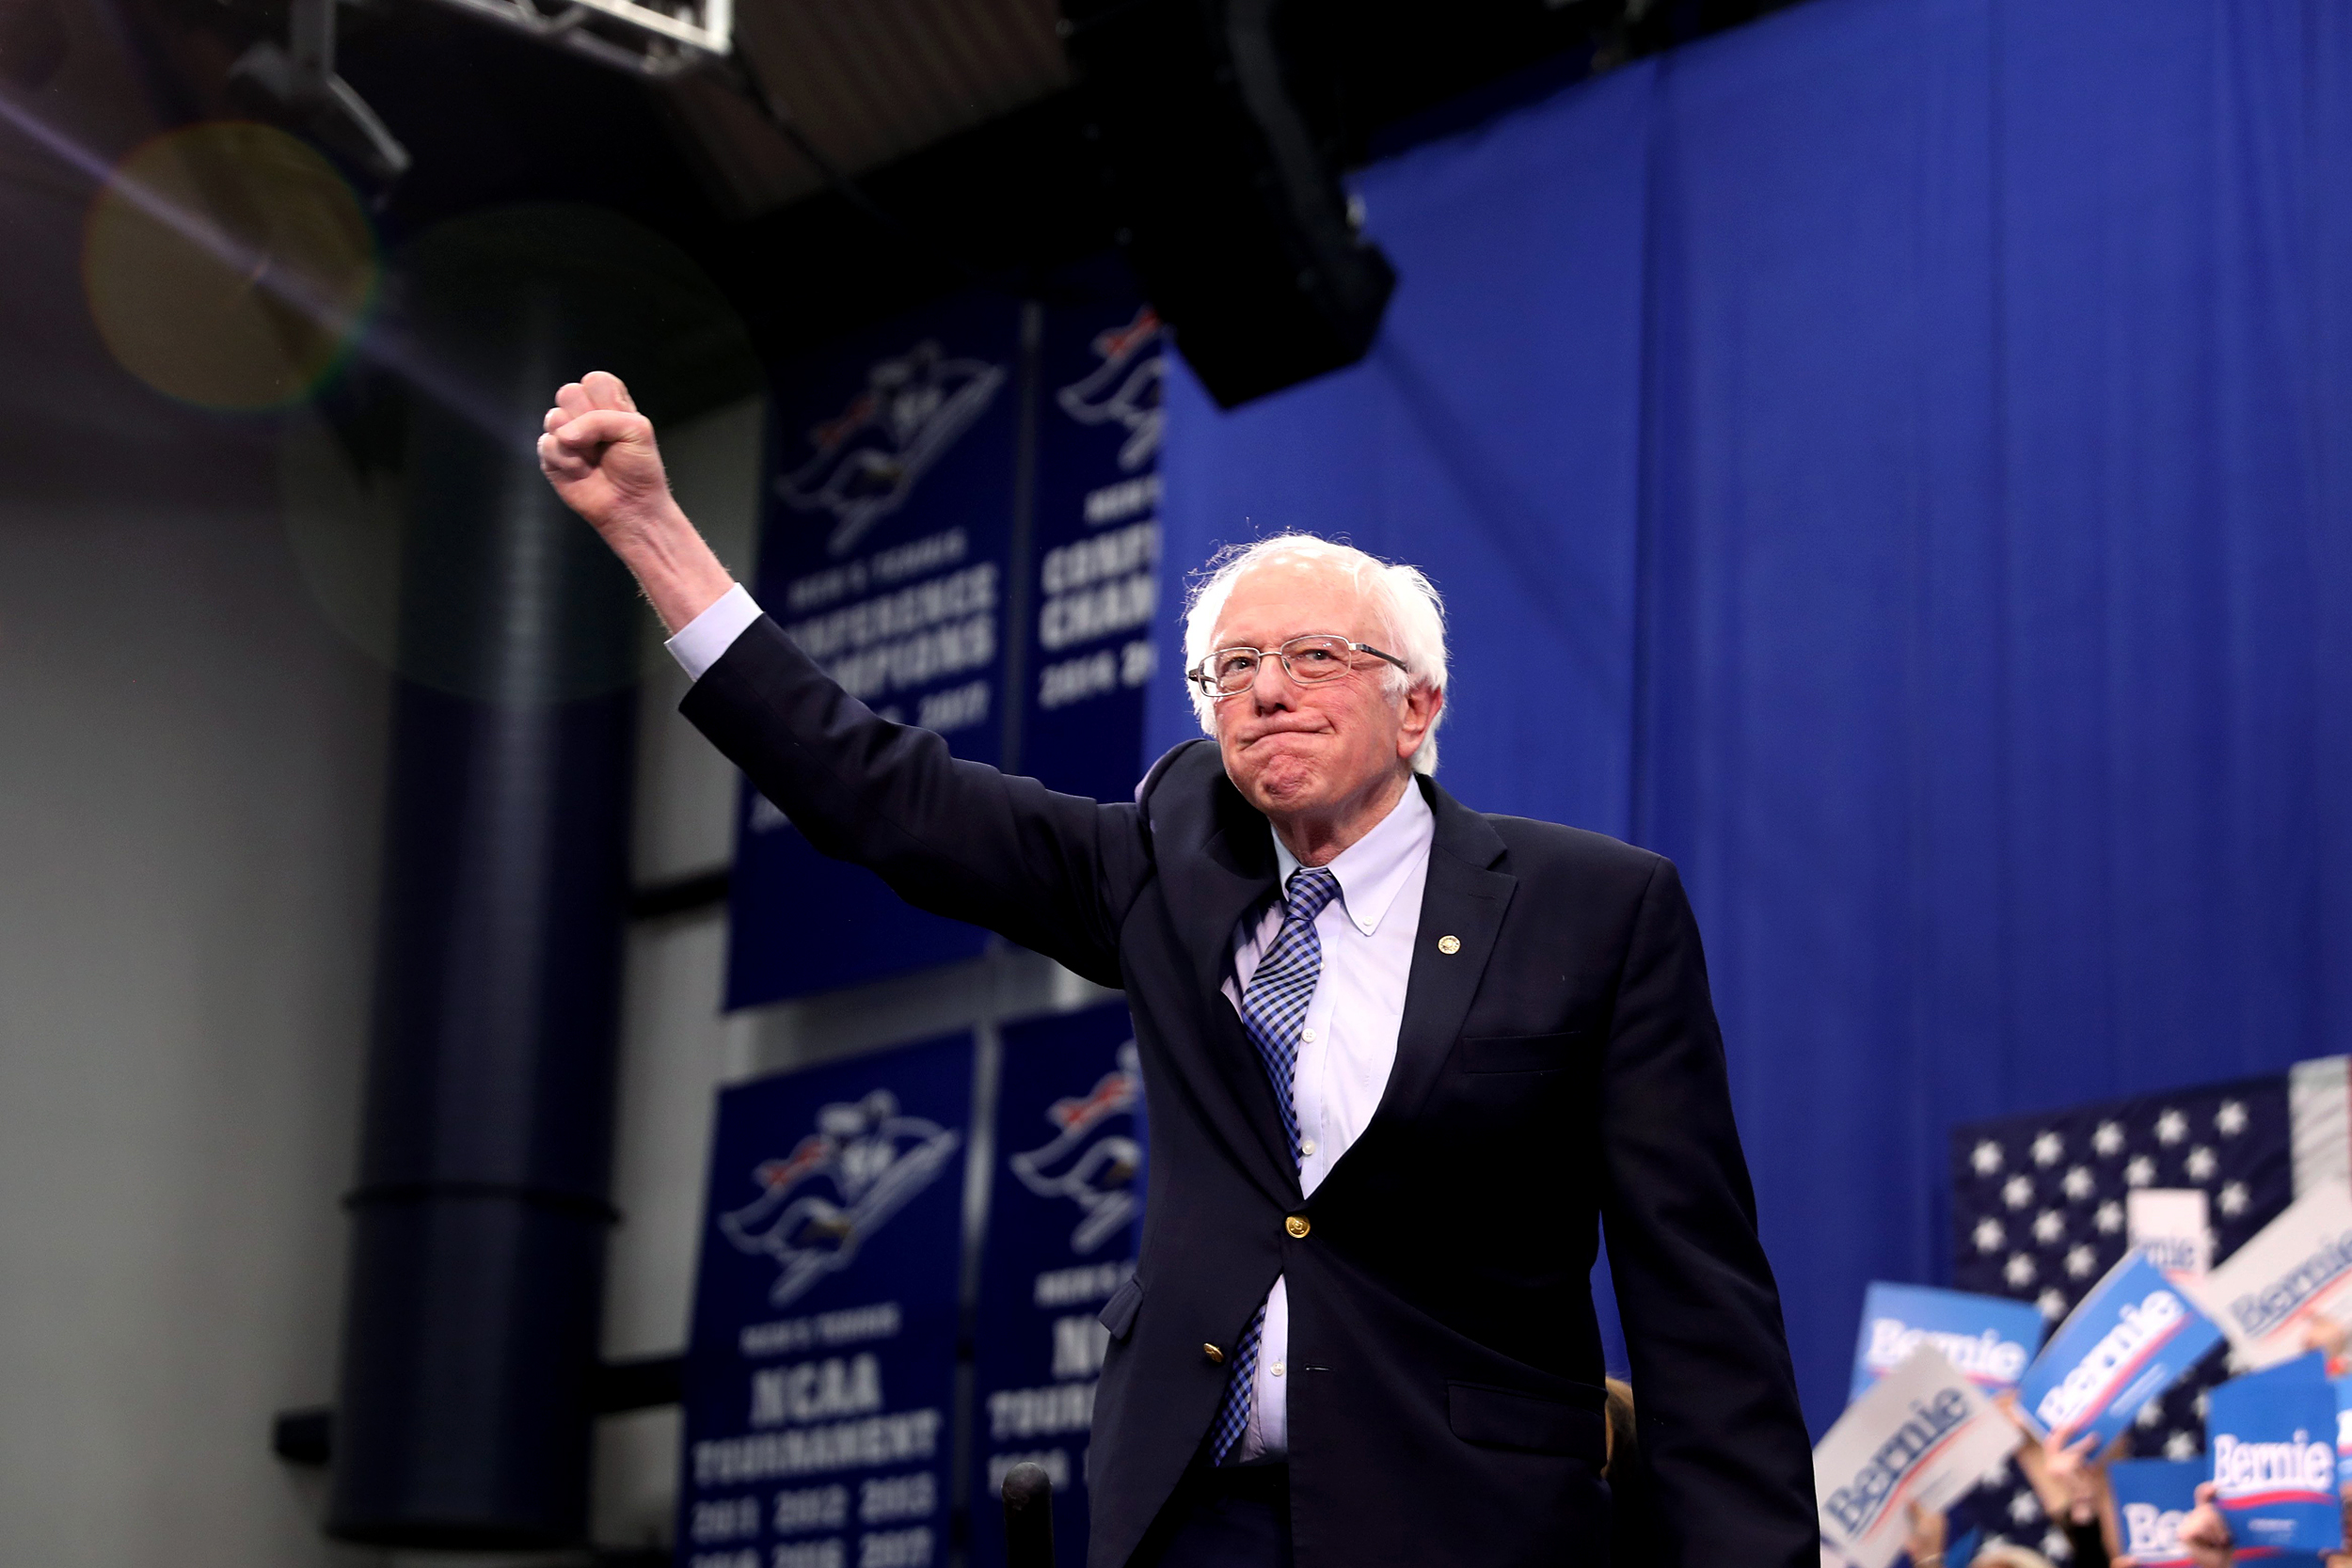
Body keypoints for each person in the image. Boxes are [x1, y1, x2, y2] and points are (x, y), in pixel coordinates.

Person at [538, 372, 1817, 1566]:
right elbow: (878, 793)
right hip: (1191, 1525)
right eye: (1232, 670)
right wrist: (655, 531)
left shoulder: (1591, 908)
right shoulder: (1164, 872)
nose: (1268, 690)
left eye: (1317, 657)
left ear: (1417, 708)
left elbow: (1696, 1292)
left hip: (1468, 1519)